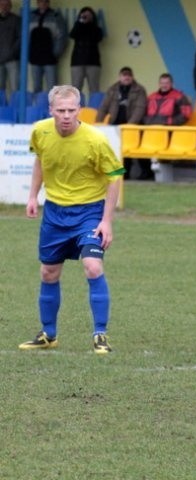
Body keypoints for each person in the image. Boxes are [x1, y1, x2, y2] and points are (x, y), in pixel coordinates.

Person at [19, 85, 124, 354]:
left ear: (79, 109)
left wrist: (106, 221)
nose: (66, 115)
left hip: (88, 212)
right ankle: (48, 334)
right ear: (51, 110)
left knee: (93, 266)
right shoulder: (40, 132)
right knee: (48, 272)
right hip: (54, 213)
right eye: (61, 110)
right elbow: (40, 161)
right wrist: (33, 196)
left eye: (71, 110)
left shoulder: (95, 140)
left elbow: (114, 177)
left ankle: (100, 334)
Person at [95, 66, 147, 179]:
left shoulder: (140, 90)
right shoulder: (112, 89)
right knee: (114, 149)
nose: (126, 78)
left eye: (129, 76)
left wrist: (130, 125)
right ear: (120, 77)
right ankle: (119, 173)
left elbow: (140, 108)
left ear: (132, 77)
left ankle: (144, 172)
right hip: (115, 123)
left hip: (134, 125)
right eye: (124, 75)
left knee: (131, 148)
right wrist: (98, 123)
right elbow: (103, 107)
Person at [28, 0, 68, 93]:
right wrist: (28, 54)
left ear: (48, 3)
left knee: (53, 88)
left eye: (45, 1)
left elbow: (62, 36)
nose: (43, 4)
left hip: (50, 58)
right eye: (41, 1)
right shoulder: (30, 16)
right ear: (37, 3)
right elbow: (26, 37)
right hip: (35, 57)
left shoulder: (56, 16)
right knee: (36, 87)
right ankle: (37, 106)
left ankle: (52, 107)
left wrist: (55, 53)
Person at [69, 6, 103, 95]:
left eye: (89, 15)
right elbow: (72, 35)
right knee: (76, 89)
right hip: (77, 61)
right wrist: (80, 22)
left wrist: (90, 23)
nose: (86, 17)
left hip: (93, 61)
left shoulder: (96, 28)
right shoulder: (78, 25)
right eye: (84, 15)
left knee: (94, 88)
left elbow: (98, 38)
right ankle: (75, 108)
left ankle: (94, 108)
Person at [0, 0, 20, 97]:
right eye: (2, 5)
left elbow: (20, 38)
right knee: (0, 88)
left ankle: (15, 110)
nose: (4, 7)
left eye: (7, 5)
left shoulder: (16, 20)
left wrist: (12, 52)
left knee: (15, 87)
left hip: (12, 59)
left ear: (10, 6)